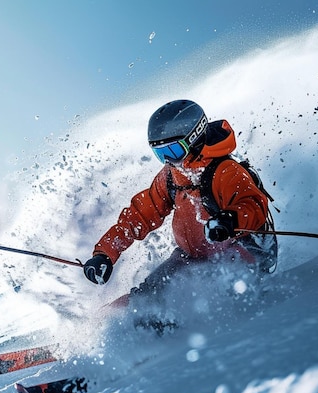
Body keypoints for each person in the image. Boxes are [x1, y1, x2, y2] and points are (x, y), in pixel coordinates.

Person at [83, 99, 277, 304]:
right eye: (161, 154)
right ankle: (113, 322)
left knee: (199, 297)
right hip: (191, 258)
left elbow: (254, 204)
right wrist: (105, 254)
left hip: (239, 253)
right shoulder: (170, 176)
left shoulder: (225, 171)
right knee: (146, 297)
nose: (169, 161)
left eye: (174, 151)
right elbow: (139, 215)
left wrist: (229, 220)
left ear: (194, 139)